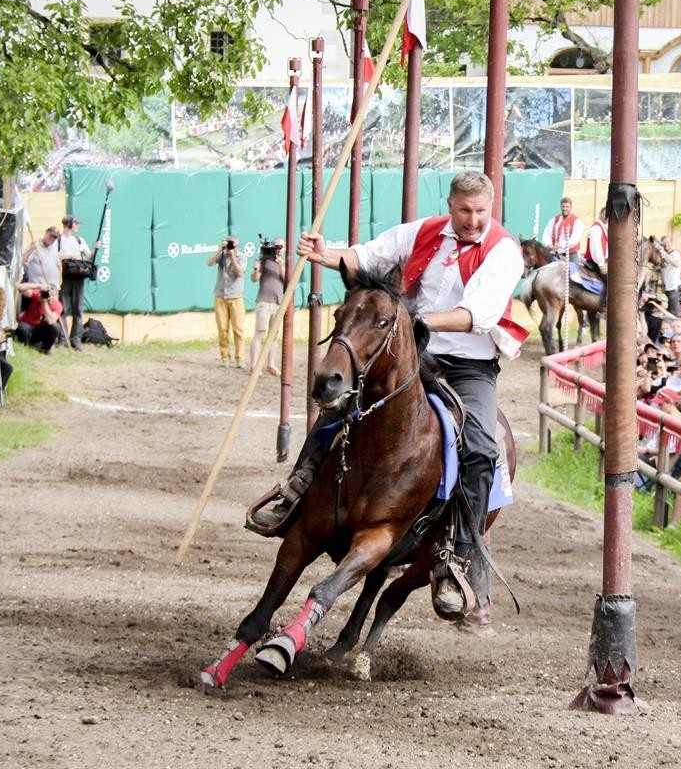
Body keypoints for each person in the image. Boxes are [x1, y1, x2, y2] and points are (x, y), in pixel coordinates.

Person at [253, 171, 523, 619]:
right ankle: (296, 491)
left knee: (480, 448)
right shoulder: (425, 231)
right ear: (451, 206)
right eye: (464, 210)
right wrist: (324, 255)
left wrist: (414, 320)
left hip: (469, 366)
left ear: (490, 209)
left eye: (480, 212)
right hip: (411, 352)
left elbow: (477, 313)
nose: (472, 220)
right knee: (341, 402)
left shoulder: (503, 250)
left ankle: (456, 558)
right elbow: (367, 256)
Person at [57, 214, 97, 350]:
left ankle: (76, 340)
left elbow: (89, 255)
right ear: (69, 224)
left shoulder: (79, 240)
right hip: (64, 277)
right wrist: (71, 256)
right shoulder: (59, 240)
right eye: (76, 223)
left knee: (78, 309)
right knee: (62, 309)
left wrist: (95, 248)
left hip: (79, 277)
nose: (78, 226)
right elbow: (56, 255)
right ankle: (62, 339)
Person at [208, 235, 246, 368]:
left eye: (233, 245)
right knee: (222, 329)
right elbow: (209, 263)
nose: (231, 247)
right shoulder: (222, 255)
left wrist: (233, 257)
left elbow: (240, 273)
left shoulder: (241, 257)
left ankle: (240, 358)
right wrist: (220, 249)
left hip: (236, 297)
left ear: (237, 245)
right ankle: (225, 358)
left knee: (238, 329)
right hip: (220, 296)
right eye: (229, 244)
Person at [250, 240, 285, 377]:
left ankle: (271, 364)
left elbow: (289, 280)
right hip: (264, 301)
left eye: (280, 246)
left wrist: (281, 265)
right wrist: (256, 269)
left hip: (278, 303)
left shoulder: (285, 263)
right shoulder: (264, 261)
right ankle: (254, 366)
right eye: (276, 246)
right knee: (259, 333)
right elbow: (254, 279)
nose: (278, 249)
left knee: (274, 336)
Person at [15, 282, 65, 353]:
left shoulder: (58, 305)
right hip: (30, 327)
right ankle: (29, 344)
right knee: (22, 327)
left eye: (53, 295)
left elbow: (51, 321)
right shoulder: (38, 295)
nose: (50, 297)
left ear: (57, 296)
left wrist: (44, 303)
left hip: (42, 330)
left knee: (56, 327)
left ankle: (46, 348)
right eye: (49, 295)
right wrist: (38, 286)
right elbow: (19, 287)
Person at [543, 196, 583, 265]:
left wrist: (561, 245)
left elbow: (574, 239)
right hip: (555, 253)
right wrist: (548, 244)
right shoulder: (554, 220)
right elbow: (546, 233)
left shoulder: (577, 222)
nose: (565, 208)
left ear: (571, 207)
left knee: (574, 270)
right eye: (563, 206)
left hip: (570, 254)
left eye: (567, 206)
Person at [584, 207, 608, 277]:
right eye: (605, 214)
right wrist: (601, 264)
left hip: (603, 261)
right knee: (613, 281)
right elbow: (596, 248)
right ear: (600, 214)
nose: (607, 217)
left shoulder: (603, 228)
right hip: (596, 262)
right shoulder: (596, 229)